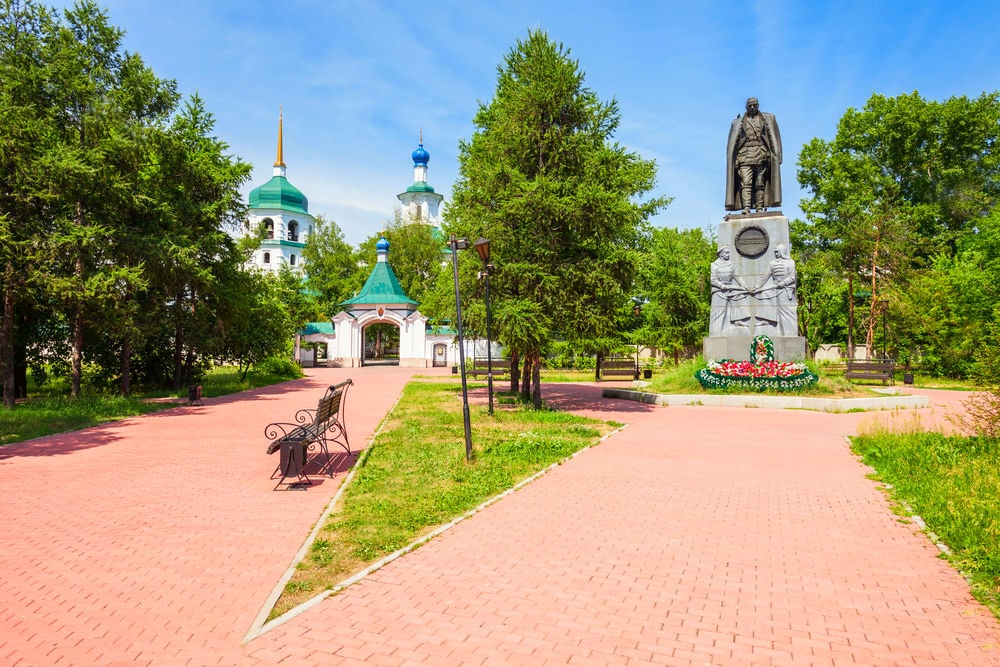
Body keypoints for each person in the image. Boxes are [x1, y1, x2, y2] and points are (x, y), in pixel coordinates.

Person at [725, 97, 782, 213]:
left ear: (758, 106)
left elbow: (775, 139)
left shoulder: (767, 119)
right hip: (744, 157)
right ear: (746, 107)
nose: (752, 107)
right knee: (745, 183)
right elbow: (732, 144)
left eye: (754, 105)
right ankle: (746, 208)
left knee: (759, 183)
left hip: (760, 156)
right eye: (750, 105)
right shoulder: (737, 123)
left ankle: (759, 207)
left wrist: (776, 155)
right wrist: (734, 159)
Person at [709, 246, 753, 336]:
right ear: (721, 254)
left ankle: (738, 320)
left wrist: (744, 286)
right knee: (720, 312)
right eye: (726, 253)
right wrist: (721, 285)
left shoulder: (731, 264)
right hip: (719, 291)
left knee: (739, 298)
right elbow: (713, 280)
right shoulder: (714, 265)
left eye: (728, 252)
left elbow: (737, 277)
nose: (728, 255)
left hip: (730, 288)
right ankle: (716, 333)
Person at [755, 244, 798, 335]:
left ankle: (788, 333)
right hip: (774, 288)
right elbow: (765, 276)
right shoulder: (772, 263)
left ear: (782, 252)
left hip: (785, 289)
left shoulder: (790, 263)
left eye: (777, 251)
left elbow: (792, 277)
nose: (776, 253)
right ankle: (767, 319)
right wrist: (758, 286)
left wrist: (782, 284)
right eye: (775, 252)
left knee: (785, 310)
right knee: (764, 294)